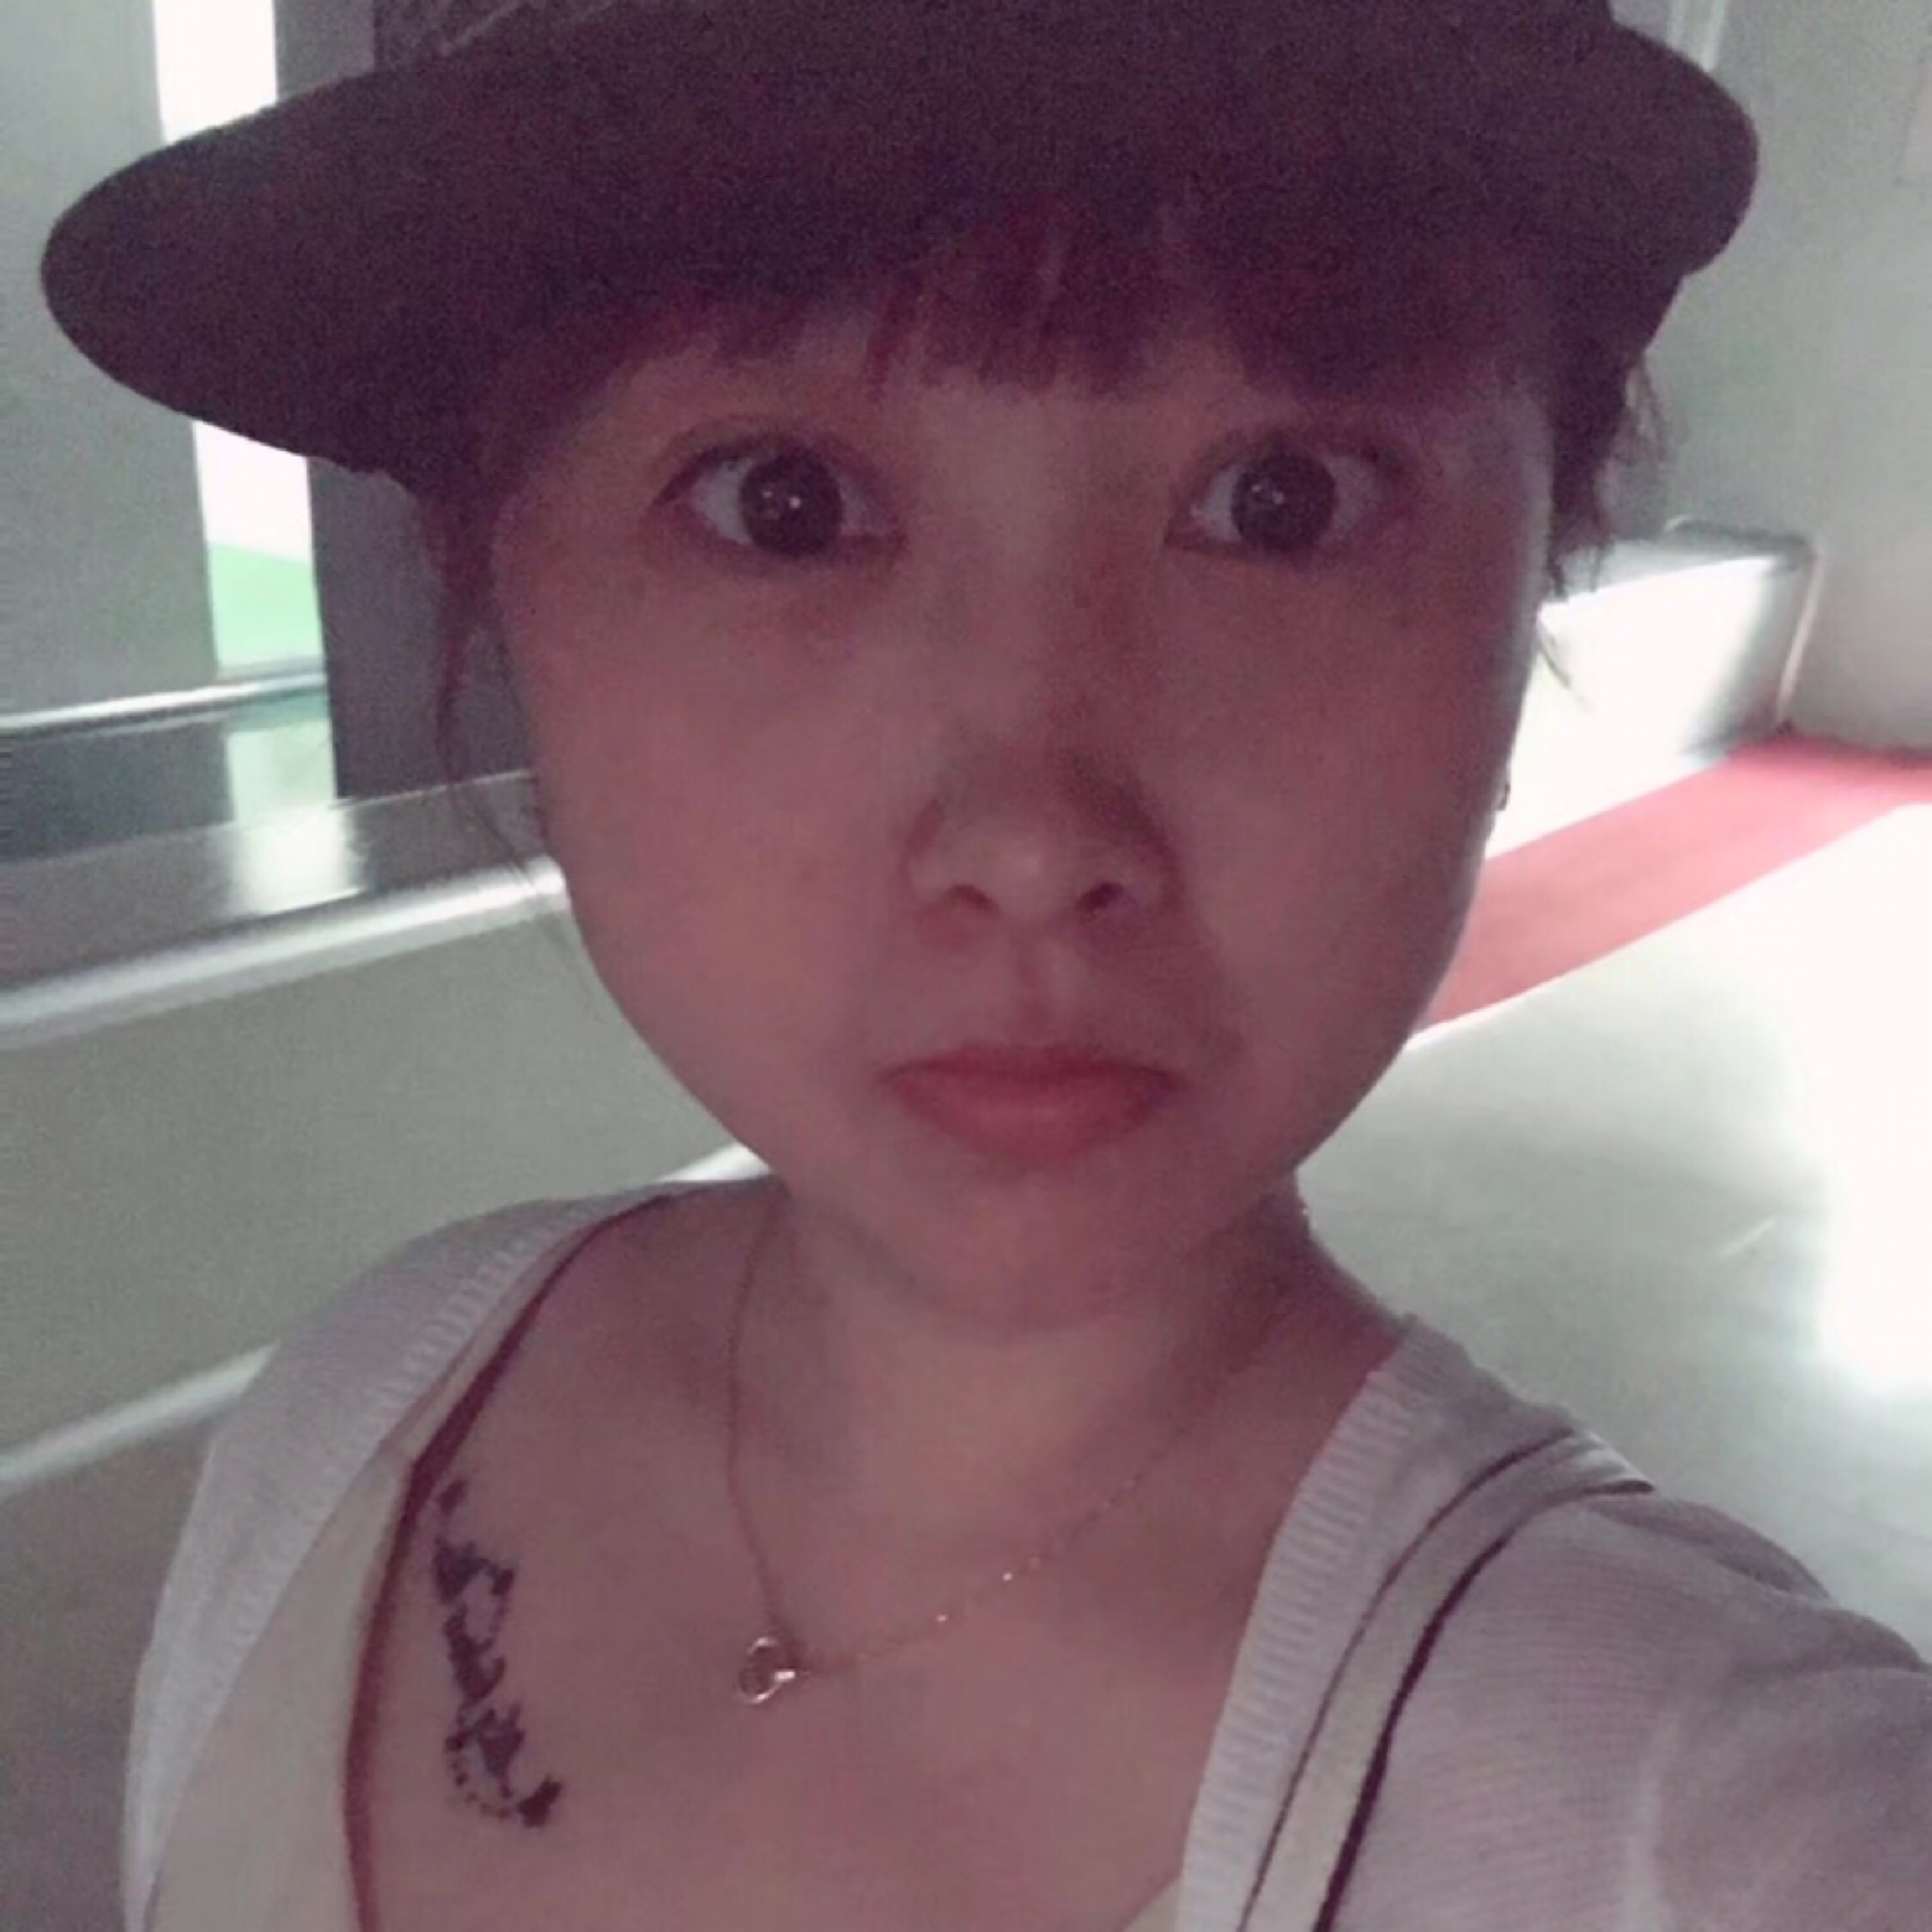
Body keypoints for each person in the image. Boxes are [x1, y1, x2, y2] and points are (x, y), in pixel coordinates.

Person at [41, 3, 1931, 1929]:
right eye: (784, 503)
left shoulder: (1726, 1830)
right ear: (500, 581)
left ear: (1534, 582)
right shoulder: (357, 1410)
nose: (1034, 839)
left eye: (1280, 502)